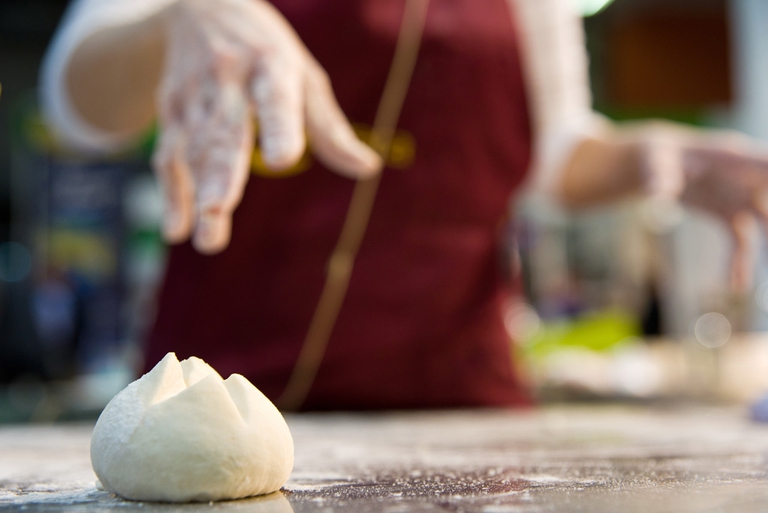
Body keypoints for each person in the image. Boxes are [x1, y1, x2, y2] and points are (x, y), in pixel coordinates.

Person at [42, 0, 768, 410]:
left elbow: (548, 152)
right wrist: (176, 22)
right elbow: (76, 101)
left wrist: (649, 158)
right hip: (216, 392)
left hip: (459, 398)